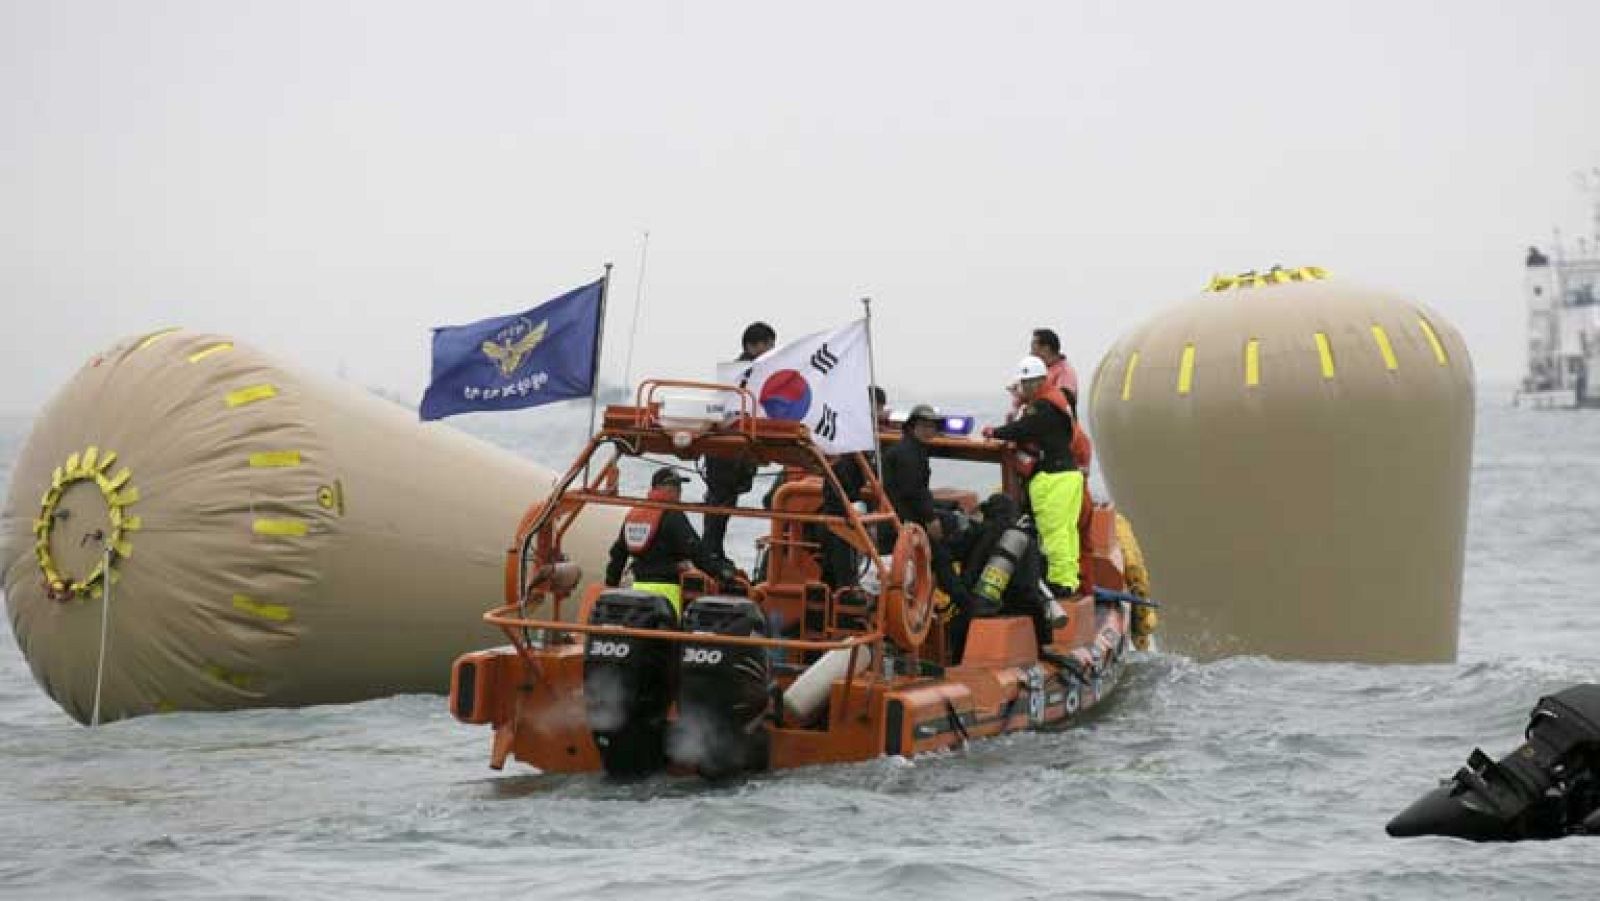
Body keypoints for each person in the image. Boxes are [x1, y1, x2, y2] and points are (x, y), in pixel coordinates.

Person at [987, 356, 1088, 603]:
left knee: (1053, 533)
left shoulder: (1043, 407)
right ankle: (1069, 580)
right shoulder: (1057, 402)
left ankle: (1060, 585)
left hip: (1054, 478)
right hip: (1068, 475)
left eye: (1025, 384)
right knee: (1066, 533)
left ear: (1036, 382)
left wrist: (995, 432)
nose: (1022, 389)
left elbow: (1024, 428)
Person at [883, 404, 982, 648]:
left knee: (941, 557)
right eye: (924, 425)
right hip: (909, 527)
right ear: (913, 426)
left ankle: (964, 604)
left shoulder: (906, 451)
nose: (929, 430)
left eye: (932, 426)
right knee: (942, 559)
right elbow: (914, 491)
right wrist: (931, 518)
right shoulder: (909, 454)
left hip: (900, 524)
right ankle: (971, 608)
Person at [605, 467, 734, 616]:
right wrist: (721, 571)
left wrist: (611, 584)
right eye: (674, 486)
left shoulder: (635, 514)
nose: (678, 491)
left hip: (638, 588)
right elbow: (694, 549)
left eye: (678, 486)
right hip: (667, 592)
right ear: (659, 487)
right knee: (668, 633)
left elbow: (618, 552)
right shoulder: (672, 515)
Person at [704, 322, 778, 561]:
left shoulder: (754, 372)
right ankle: (711, 552)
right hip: (728, 447)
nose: (771, 351)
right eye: (767, 346)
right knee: (720, 502)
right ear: (752, 346)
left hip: (737, 448)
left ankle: (713, 551)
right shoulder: (742, 374)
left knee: (724, 502)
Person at [817, 385, 888, 588]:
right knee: (842, 567)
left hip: (850, 510)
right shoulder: (848, 440)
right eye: (873, 407)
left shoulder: (866, 440)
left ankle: (838, 591)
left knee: (839, 565)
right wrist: (856, 502)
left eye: (879, 407)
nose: (876, 412)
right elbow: (842, 474)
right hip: (841, 512)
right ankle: (844, 595)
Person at [1012, 328, 1093, 473]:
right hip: (1036, 446)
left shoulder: (1065, 373)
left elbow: (1056, 407)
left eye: (1033, 348)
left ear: (1046, 349)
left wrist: (1026, 396)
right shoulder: (1040, 371)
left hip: (1060, 450)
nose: (1030, 353)